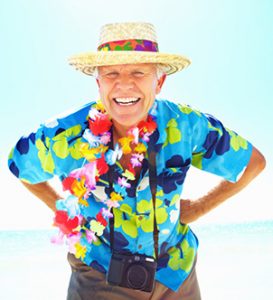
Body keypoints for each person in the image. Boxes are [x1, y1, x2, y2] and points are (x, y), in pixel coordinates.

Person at [8, 22, 265, 300]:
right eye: (112, 73)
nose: (124, 84)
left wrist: (200, 207)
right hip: (98, 271)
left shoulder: (187, 125)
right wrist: (63, 208)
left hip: (175, 273)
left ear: (160, 81)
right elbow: (19, 164)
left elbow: (253, 163)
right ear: (99, 82)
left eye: (139, 72)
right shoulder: (67, 133)